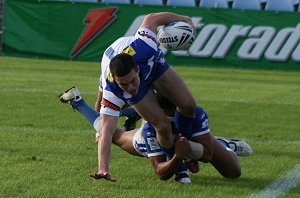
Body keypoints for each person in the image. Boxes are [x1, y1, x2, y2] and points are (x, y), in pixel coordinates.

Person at [59, 87, 252, 183]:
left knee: (234, 172)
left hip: (187, 140)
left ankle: (221, 143)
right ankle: (78, 102)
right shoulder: (152, 126)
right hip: (149, 140)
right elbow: (160, 171)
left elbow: (208, 155)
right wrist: (178, 159)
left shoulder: (194, 111)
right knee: (113, 135)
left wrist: (185, 152)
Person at [93, 12, 197, 181]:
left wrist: (185, 19)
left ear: (137, 70)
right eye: (123, 84)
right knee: (162, 126)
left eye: (132, 81)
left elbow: (151, 18)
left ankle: (183, 145)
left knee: (188, 105)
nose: (130, 87)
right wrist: (103, 168)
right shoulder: (113, 89)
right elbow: (106, 131)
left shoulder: (145, 46)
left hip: (154, 66)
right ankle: (179, 163)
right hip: (111, 66)